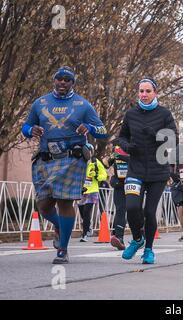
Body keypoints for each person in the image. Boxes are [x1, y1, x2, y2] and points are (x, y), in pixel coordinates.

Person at [21, 66, 107, 264]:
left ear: (72, 83)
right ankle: (60, 226)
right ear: (54, 80)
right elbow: (24, 126)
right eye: (59, 79)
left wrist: (91, 128)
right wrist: (30, 130)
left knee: (65, 202)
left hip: (72, 159)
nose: (62, 82)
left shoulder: (83, 105)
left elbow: (102, 130)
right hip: (46, 158)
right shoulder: (40, 103)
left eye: (67, 80)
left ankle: (63, 249)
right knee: (43, 205)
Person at [118, 77, 177, 264]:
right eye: (141, 91)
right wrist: (128, 147)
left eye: (147, 91)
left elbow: (172, 139)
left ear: (155, 93)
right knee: (132, 207)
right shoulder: (131, 114)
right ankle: (137, 239)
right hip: (135, 170)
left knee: (150, 212)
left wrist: (157, 136)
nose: (144, 95)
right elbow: (121, 138)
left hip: (158, 172)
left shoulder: (164, 114)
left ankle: (149, 250)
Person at [103, 144, 130, 250]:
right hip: (119, 184)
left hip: (133, 183)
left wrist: (123, 157)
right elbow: (106, 164)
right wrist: (109, 158)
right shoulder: (117, 148)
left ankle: (140, 234)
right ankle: (119, 237)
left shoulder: (135, 144)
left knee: (134, 209)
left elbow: (140, 161)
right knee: (120, 210)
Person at [78, 146, 108, 242]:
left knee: (87, 212)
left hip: (92, 190)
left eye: (88, 151)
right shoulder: (78, 161)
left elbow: (104, 175)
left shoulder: (95, 162)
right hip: (81, 190)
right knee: (81, 211)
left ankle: (85, 234)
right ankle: (88, 227)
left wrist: (97, 175)